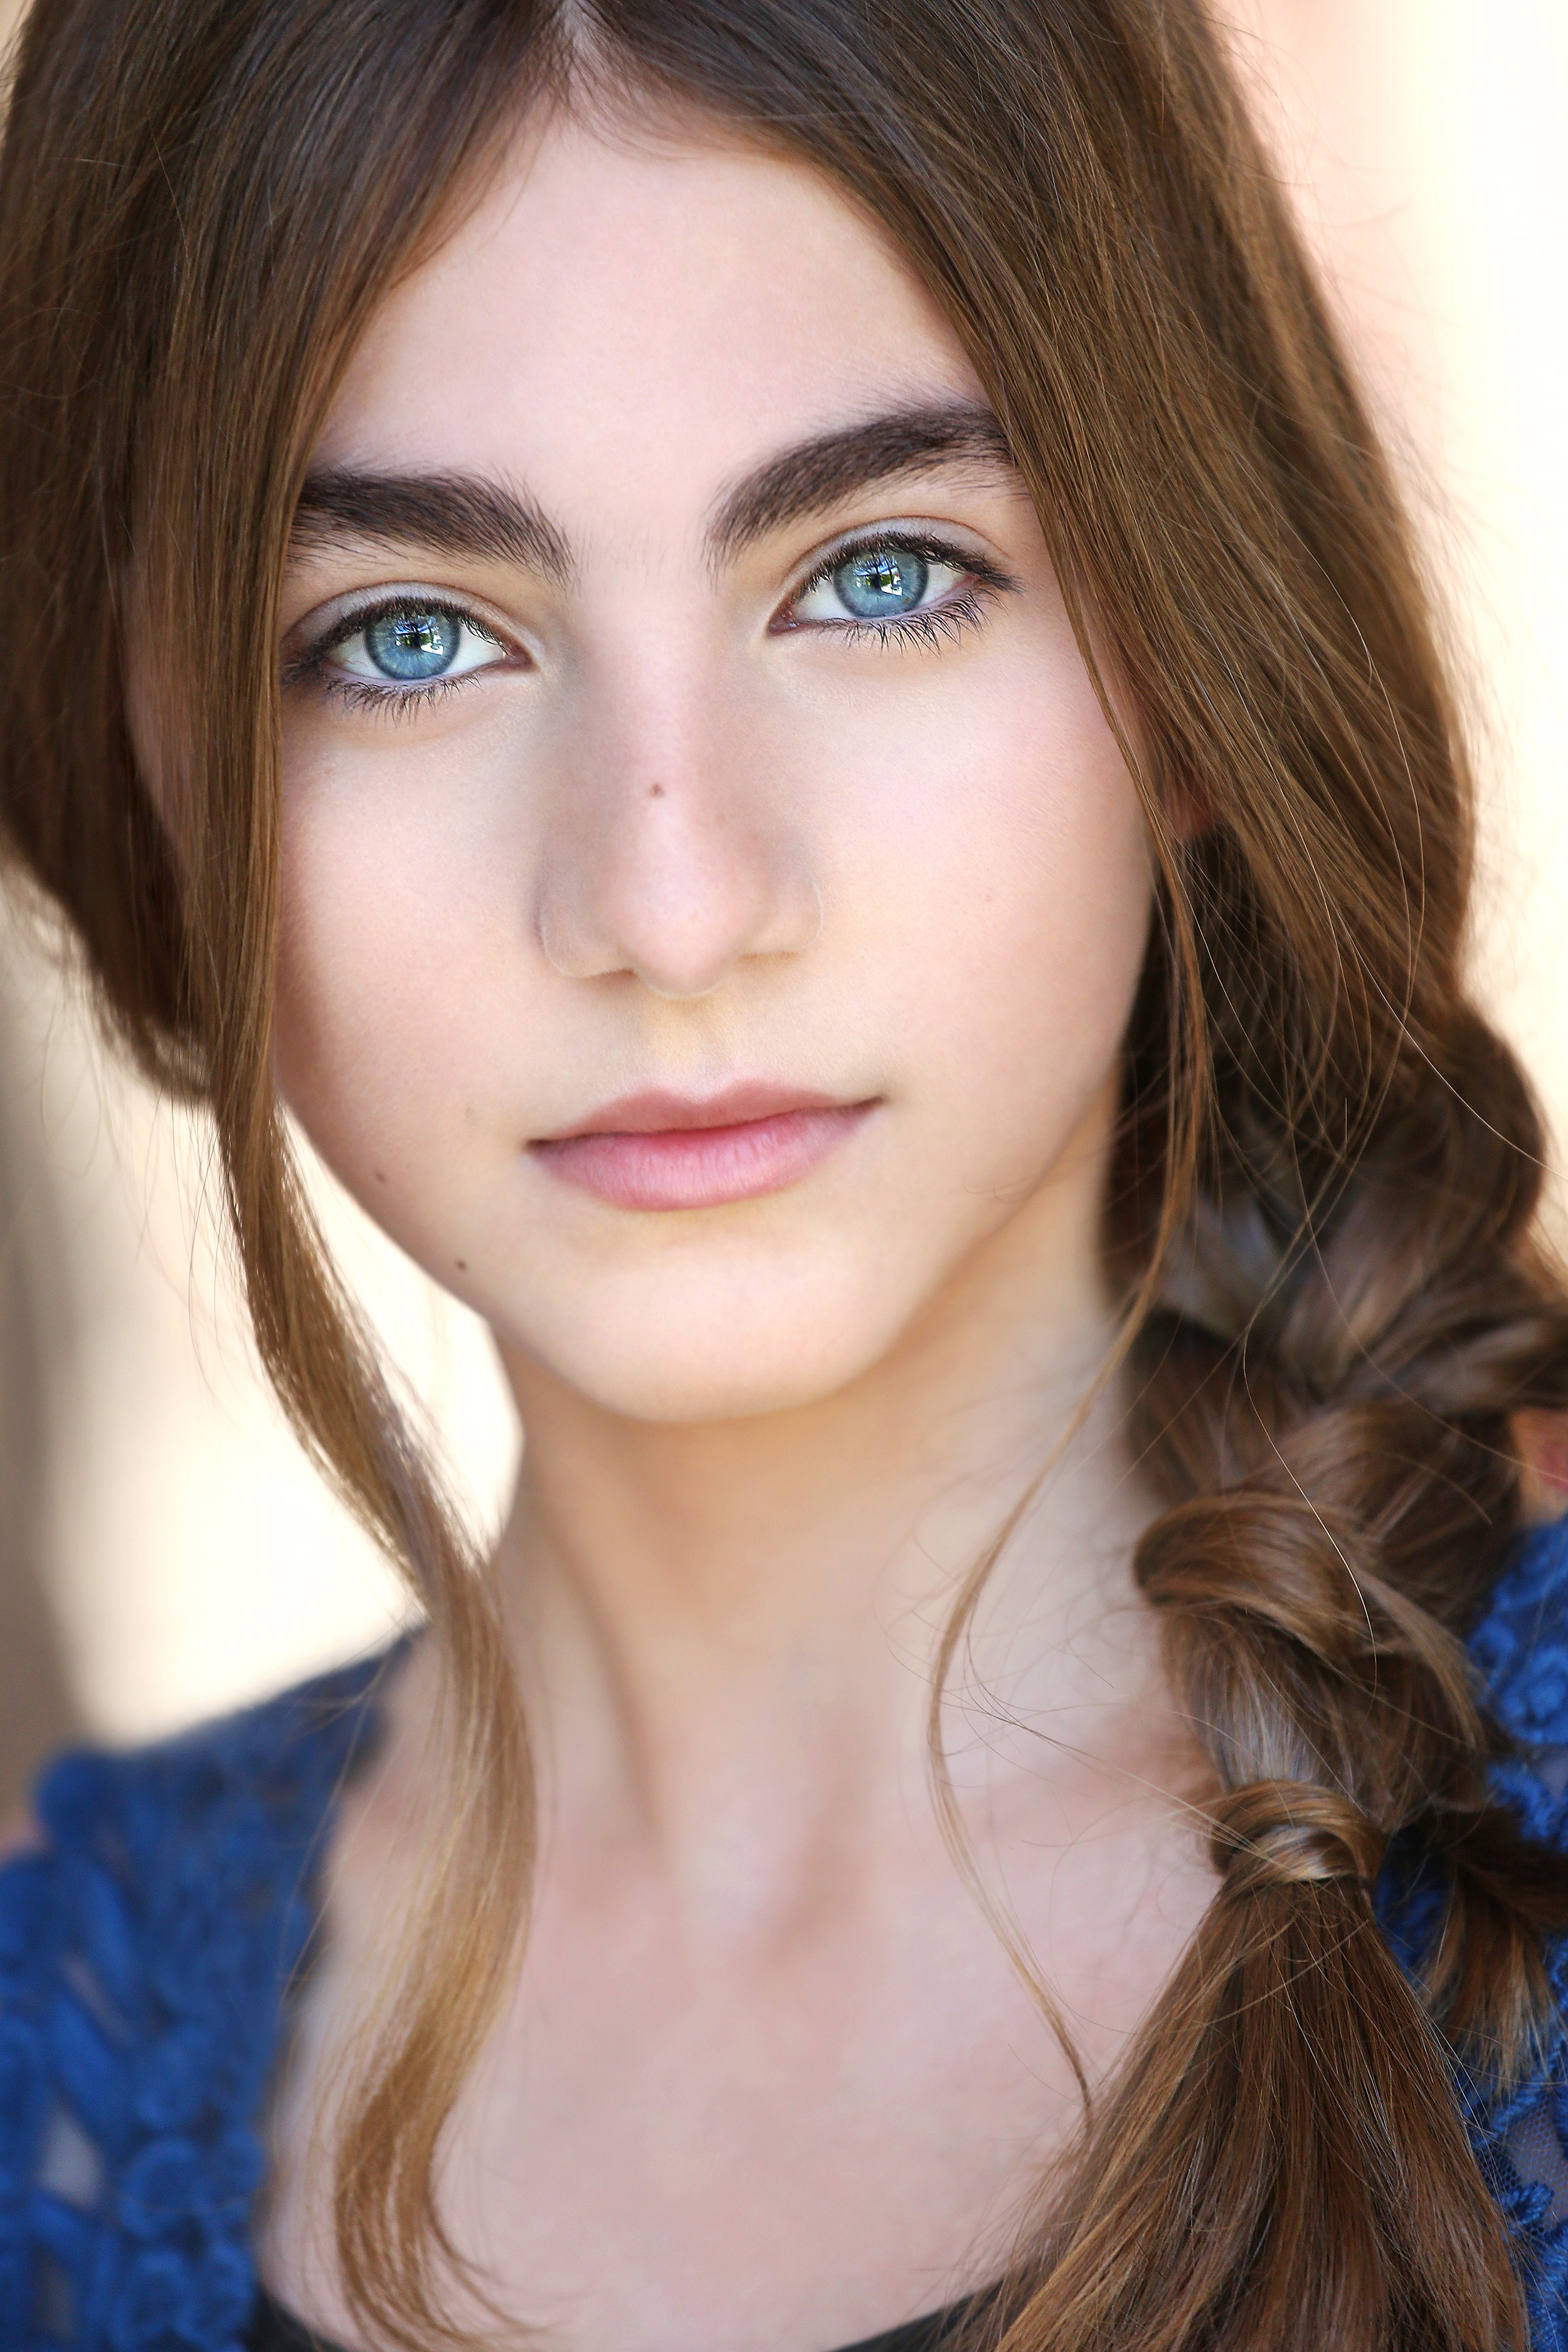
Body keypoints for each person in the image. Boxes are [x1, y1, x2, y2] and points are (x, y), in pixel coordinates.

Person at [1, 1, 1567, 2347]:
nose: (669, 901)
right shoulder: (56, 2080)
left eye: (879, 576)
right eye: (408, 638)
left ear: (1192, 657)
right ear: (142, 762)